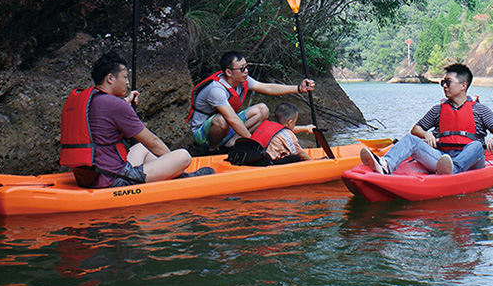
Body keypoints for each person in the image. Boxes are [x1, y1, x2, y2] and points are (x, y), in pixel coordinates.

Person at [61, 52, 212, 189]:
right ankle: (184, 177)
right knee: (183, 156)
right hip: (113, 179)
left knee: (141, 148)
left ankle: (174, 175)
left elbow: (102, 118)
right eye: (125, 77)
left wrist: (125, 102)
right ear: (110, 78)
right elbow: (152, 142)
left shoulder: (88, 100)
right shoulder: (115, 105)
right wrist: (178, 167)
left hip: (88, 176)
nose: (127, 83)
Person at [361, 63, 493, 176]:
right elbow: (416, 129)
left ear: (463, 86)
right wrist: (427, 134)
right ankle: (385, 164)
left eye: (448, 82)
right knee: (411, 139)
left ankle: (453, 170)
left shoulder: (480, 110)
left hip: (472, 161)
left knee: (476, 145)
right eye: (443, 82)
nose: (444, 86)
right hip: (443, 158)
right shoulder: (438, 110)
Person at [187, 51, 315, 152]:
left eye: (246, 67)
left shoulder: (242, 80)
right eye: (242, 69)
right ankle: (213, 150)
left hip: (226, 128)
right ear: (228, 72)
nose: (246, 71)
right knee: (222, 119)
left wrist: (299, 88)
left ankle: (231, 144)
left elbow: (268, 87)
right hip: (203, 134)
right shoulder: (216, 90)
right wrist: (253, 142)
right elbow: (232, 119)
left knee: (262, 109)